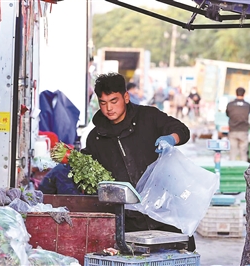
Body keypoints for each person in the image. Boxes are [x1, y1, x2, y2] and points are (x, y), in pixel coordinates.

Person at [81, 72, 195, 251]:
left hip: (164, 210)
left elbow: (182, 130)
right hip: (127, 220)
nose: (109, 108)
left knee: (175, 255)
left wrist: (171, 139)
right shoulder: (95, 138)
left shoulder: (148, 117)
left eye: (114, 101)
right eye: (103, 103)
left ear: (126, 97)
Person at [225, 87, 250, 161]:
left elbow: (227, 114)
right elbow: (247, 113)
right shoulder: (247, 105)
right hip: (244, 130)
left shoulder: (230, 104)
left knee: (233, 152)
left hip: (233, 130)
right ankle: (244, 169)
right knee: (243, 152)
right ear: (244, 94)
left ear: (236, 93)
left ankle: (232, 169)